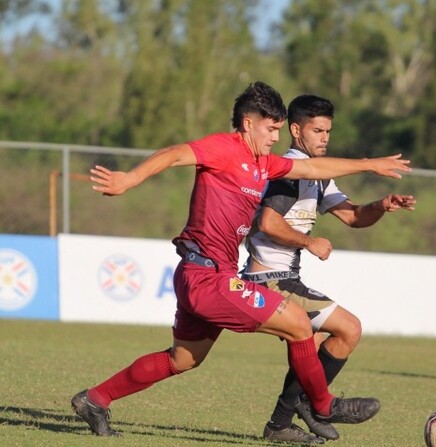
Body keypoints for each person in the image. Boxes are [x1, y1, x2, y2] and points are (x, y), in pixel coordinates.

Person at [70, 81, 412, 440]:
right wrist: (130, 178)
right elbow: (174, 154)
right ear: (248, 123)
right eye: (271, 129)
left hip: (208, 273)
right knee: (298, 323)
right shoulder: (224, 148)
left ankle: (95, 399)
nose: (275, 138)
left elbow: (313, 170)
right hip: (206, 277)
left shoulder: (263, 164)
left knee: (183, 359)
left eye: (279, 130)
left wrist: (370, 164)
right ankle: (323, 406)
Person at [241, 94, 416, 443]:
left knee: (311, 343)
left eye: (328, 131)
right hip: (268, 280)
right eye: (317, 130)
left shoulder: (319, 176)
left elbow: (353, 216)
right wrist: (309, 242)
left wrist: (381, 205)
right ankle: (315, 404)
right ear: (295, 130)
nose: (324, 137)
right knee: (348, 329)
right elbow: (267, 222)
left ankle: (282, 422)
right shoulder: (291, 172)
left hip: (286, 279)